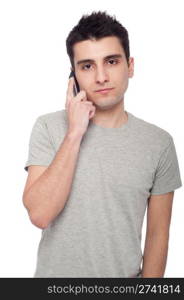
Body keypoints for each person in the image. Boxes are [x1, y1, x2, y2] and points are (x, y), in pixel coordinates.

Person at [22, 11, 182, 278]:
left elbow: (157, 235)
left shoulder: (159, 143)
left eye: (111, 61)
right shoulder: (49, 128)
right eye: (87, 66)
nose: (101, 77)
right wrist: (74, 134)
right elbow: (40, 214)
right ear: (73, 77)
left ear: (130, 66)